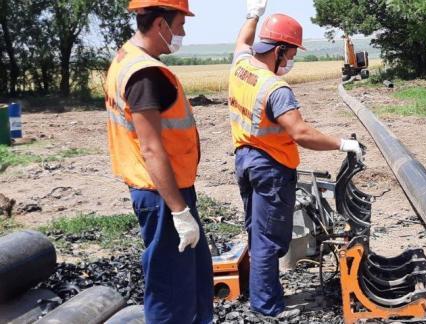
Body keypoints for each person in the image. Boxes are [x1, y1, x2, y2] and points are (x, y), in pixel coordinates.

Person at [229, 0, 363, 318]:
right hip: (270, 168)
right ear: (279, 49)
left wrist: (253, 14)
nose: (291, 60)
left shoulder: (242, 66)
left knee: (256, 231)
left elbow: (242, 41)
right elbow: (300, 132)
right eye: (290, 53)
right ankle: (267, 307)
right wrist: (343, 143)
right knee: (269, 241)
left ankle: (263, 295)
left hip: (245, 160)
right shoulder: (276, 89)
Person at [104, 1, 213, 323]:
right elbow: (151, 149)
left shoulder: (127, 57)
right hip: (162, 193)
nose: (182, 32)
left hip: (161, 190)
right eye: (180, 24)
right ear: (160, 25)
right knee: (171, 291)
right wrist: (179, 211)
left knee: (190, 279)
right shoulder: (146, 75)